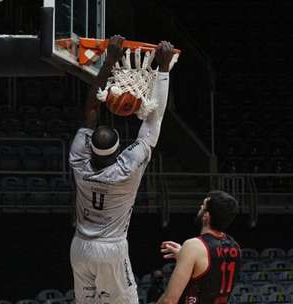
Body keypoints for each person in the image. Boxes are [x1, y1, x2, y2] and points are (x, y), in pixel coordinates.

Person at [69, 35, 176, 304]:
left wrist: (109, 62)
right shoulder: (126, 170)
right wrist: (162, 69)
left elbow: (91, 108)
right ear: (118, 150)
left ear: (90, 146)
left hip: (80, 245)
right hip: (110, 248)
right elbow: (154, 121)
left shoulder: (79, 160)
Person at [157, 191, 241, 304]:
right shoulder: (235, 247)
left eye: (204, 205)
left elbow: (169, 300)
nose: (200, 207)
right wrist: (185, 258)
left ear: (206, 216)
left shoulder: (194, 246)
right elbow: (212, 274)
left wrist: (188, 254)